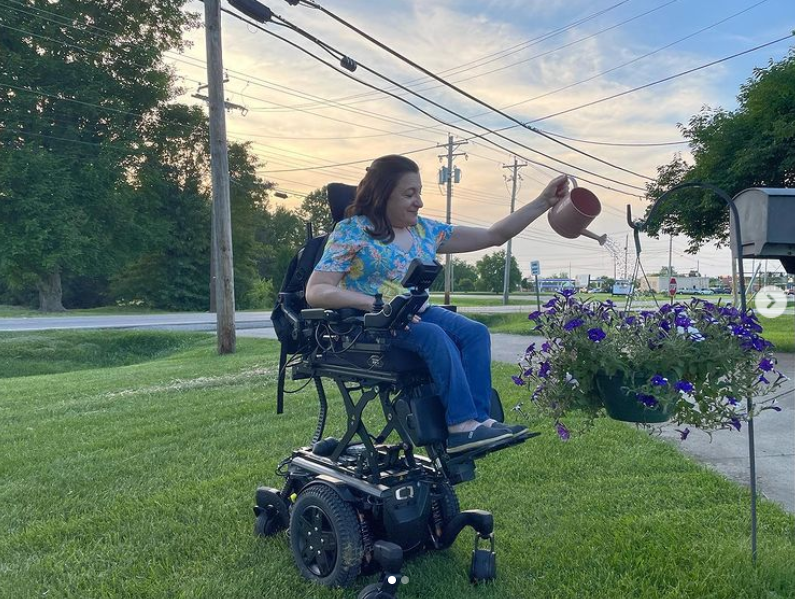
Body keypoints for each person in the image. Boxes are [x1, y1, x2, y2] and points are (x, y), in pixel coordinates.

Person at [306, 154, 569, 454]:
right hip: (375, 324)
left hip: (418, 313)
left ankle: (480, 421)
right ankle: (461, 427)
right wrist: (373, 303)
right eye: (409, 194)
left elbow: (494, 235)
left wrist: (543, 202)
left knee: (475, 333)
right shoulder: (353, 231)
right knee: (434, 335)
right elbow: (316, 290)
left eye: (419, 193)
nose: (418, 202)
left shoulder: (425, 231)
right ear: (382, 195)